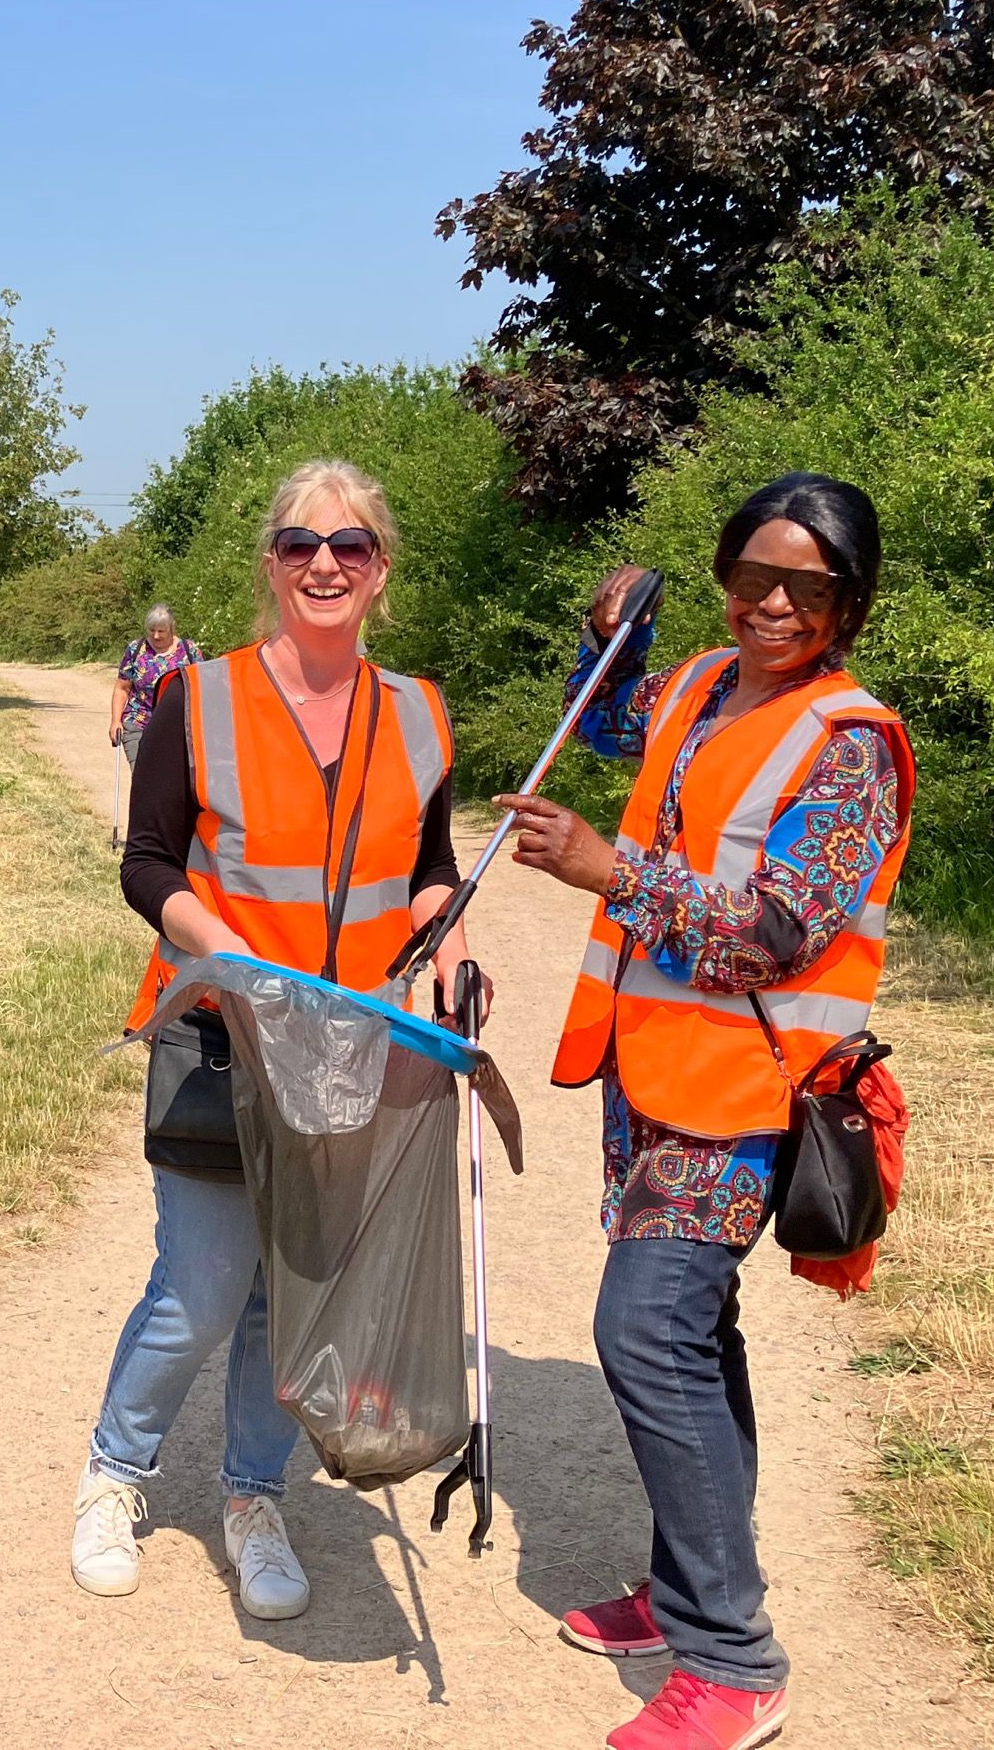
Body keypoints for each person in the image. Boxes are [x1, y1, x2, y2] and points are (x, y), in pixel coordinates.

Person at [494, 473, 913, 1750]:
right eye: (751, 577)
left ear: (849, 604)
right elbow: (609, 722)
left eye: (806, 587)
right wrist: (608, 633)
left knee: (643, 1332)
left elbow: (782, 931)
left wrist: (608, 870)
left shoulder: (849, 744)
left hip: (752, 1091)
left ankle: (734, 1662)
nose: (773, 605)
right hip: (652, 1073)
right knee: (692, 1338)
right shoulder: (695, 685)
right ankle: (685, 1591)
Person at [73, 459, 485, 1622]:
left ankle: (254, 1497)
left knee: (289, 1298)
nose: (324, 564)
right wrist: (232, 958)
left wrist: (450, 947)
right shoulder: (197, 699)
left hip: (353, 1050)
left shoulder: (418, 713)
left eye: (349, 546)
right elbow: (147, 862)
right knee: (203, 1292)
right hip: (223, 1039)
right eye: (301, 543)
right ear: (270, 563)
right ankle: (115, 1472)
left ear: (379, 570)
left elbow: (427, 869)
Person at [108, 605, 201, 768]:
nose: (156, 636)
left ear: (171, 628)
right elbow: (122, 688)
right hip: (138, 721)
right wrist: (115, 721)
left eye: (161, 631)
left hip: (175, 726)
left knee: (168, 778)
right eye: (152, 630)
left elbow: (201, 688)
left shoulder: (189, 651)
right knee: (141, 774)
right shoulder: (135, 649)